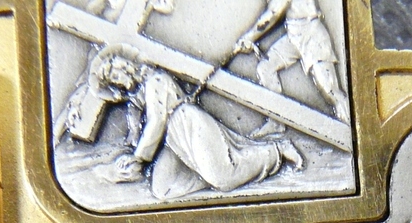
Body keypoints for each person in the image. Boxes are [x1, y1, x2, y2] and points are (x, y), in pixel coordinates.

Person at [56, 47, 303, 200]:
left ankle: (276, 151)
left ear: (126, 67)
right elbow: (138, 130)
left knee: (224, 179)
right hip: (172, 139)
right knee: (163, 189)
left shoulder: (155, 81)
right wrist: (128, 157)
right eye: (111, 81)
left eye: (114, 75)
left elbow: (157, 121)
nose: (115, 83)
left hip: (189, 125)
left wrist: (139, 157)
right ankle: (205, 169)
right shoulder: (137, 97)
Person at [234, 0, 351, 131]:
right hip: (293, 33)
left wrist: (249, 37)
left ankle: (349, 127)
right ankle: (276, 122)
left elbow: (273, 13)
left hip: (312, 35)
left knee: (330, 91)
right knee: (266, 68)